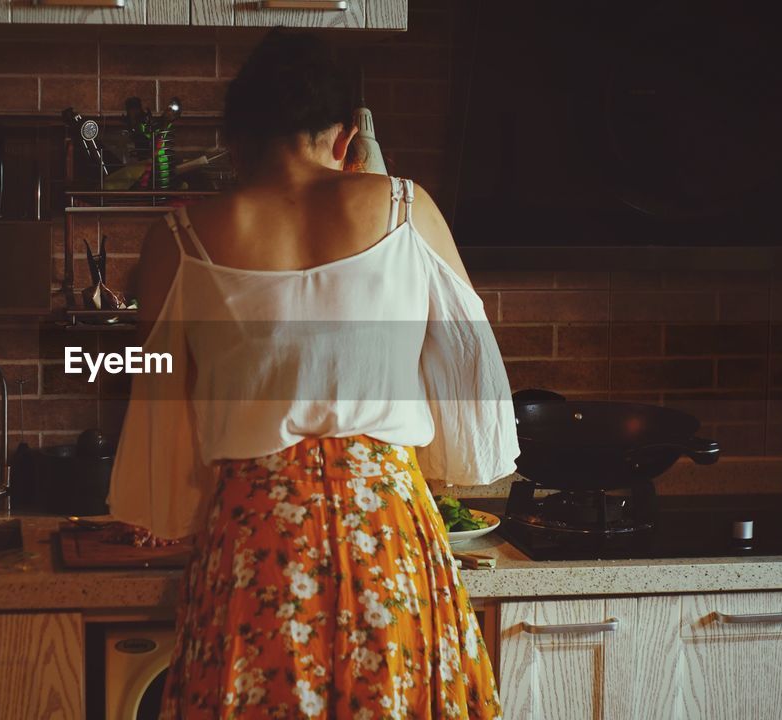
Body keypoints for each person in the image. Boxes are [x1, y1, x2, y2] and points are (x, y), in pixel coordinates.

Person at [107, 29, 518, 720]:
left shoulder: (178, 239)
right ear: (348, 138)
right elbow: (471, 385)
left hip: (256, 540)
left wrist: (174, 508)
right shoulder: (403, 208)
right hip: (387, 531)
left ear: (235, 142)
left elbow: (155, 404)